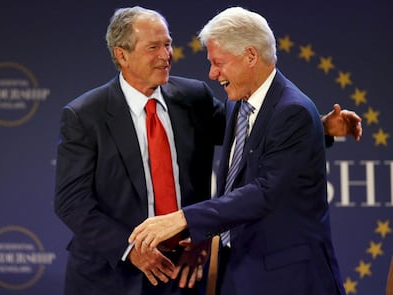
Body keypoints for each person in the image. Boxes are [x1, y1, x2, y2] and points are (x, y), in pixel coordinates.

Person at [129, 7, 349, 295]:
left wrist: (183, 218)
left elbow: (264, 193)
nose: (212, 73)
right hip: (239, 271)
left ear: (250, 56)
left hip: (289, 279)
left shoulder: (292, 111)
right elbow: (245, 172)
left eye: (219, 62)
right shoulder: (238, 103)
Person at [54, 6, 225, 295]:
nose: (165, 55)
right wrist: (131, 248)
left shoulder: (195, 98)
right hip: (110, 275)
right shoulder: (85, 115)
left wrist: (314, 127)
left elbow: (246, 138)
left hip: (182, 272)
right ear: (122, 55)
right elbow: (71, 201)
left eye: (168, 44)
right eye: (153, 47)